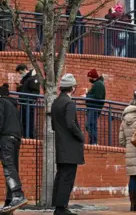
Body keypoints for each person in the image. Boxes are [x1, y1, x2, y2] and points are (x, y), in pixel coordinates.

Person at [51, 73, 85, 215]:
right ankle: (61, 208)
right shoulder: (69, 103)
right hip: (70, 147)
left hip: (60, 145)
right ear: (73, 87)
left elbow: (53, 126)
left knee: (60, 175)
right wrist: (81, 136)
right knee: (67, 177)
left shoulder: (56, 102)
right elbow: (71, 124)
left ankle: (58, 207)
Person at [0, 83, 28, 213]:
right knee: (13, 167)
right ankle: (9, 202)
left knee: (8, 167)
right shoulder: (13, 106)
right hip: (15, 138)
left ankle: (17, 195)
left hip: (5, 137)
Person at [15, 64, 40, 139]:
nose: (20, 74)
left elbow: (35, 92)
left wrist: (30, 101)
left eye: (20, 72)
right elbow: (22, 91)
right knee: (23, 121)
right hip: (23, 103)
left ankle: (29, 136)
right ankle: (25, 136)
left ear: (24, 69)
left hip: (28, 103)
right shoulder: (25, 79)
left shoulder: (32, 78)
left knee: (29, 121)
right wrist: (19, 87)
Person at [83, 69, 106, 145]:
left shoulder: (98, 84)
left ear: (93, 77)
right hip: (93, 108)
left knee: (91, 124)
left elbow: (97, 97)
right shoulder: (97, 84)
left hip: (94, 108)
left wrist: (87, 95)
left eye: (90, 77)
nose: (89, 79)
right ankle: (93, 141)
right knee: (90, 124)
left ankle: (94, 142)